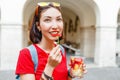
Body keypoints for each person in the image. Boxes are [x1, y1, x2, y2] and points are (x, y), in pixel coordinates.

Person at [15, 2, 86, 80]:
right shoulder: (26, 54)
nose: (55, 26)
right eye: (47, 20)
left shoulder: (60, 50)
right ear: (38, 26)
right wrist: (50, 67)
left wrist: (70, 74)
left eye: (59, 19)